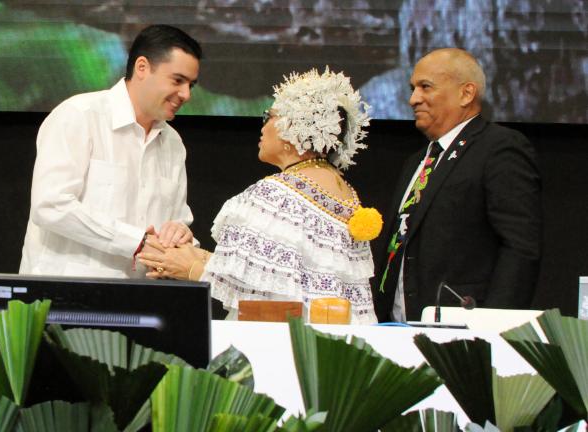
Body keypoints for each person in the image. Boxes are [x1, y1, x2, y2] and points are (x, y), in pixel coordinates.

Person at [138, 68, 382, 324]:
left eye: (270, 116)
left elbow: (261, 297)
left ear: (293, 129)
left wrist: (188, 267)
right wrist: (188, 255)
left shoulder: (276, 194)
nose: (263, 127)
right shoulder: (343, 191)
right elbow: (277, 276)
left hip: (283, 345)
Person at [373, 48, 542, 322]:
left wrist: (493, 326)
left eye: (425, 87)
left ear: (466, 93)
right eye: (413, 88)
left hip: (463, 329)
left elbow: (520, 248)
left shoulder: (499, 148)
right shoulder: (417, 161)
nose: (413, 99)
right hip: (398, 326)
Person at [19, 25, 201, 278]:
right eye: (178, 80)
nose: (186, 94)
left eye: (191, 84)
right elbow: (51, 205)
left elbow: (177, 219)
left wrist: (180, 234)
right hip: (64, 295)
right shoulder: (79, 115)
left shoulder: (173, 143)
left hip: (141, 301)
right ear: (142, 68)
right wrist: (135, 241)